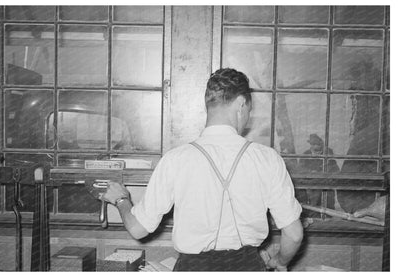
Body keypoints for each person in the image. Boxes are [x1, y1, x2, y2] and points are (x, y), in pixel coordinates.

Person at [102, 68, 303, 271]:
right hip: (248, 266)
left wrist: (122, 200)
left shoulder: (175, 159)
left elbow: (138, 229)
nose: (247, 118)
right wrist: (280, 260)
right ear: (241, 104)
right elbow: (294, 234)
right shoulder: (267, 159)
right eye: (249, 111)